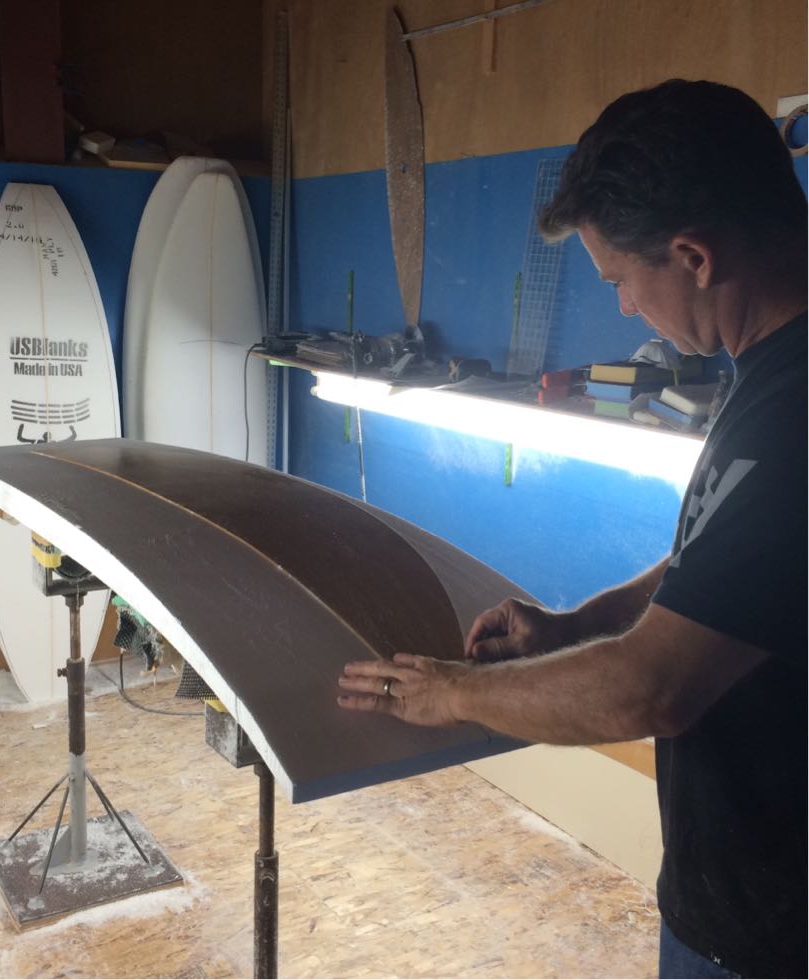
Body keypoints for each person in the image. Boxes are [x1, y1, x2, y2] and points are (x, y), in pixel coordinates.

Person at [338, 79, 807, 979]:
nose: (625, 309)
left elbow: (650, 690)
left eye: (621, 281)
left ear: (692, 256)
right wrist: (582, 624)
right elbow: (733, 555)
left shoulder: (800, 405)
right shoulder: (772, 363)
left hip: (779, 934)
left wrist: (454, 693)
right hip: (738, 895)